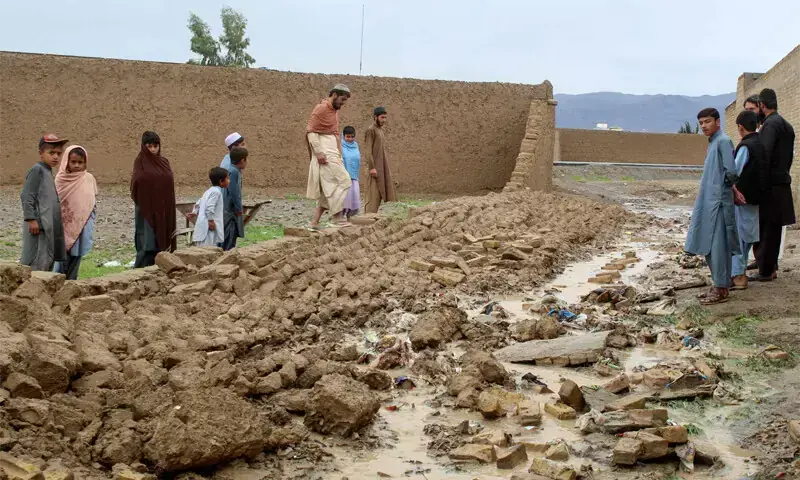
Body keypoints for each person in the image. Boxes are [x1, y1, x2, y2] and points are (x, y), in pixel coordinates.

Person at [685, 108, 739, 305]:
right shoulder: (713, 142)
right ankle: (718, 283)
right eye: (700, 123)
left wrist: (723, 189)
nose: (703, 126)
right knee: (710, 246)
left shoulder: (723, 141)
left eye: (707, 121)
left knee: (718, 247)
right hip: (710, 201)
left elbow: (731, 171)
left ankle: (721, 288)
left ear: (718, 122)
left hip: (717, 203)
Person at [750, 88, 796, 282]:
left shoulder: (770, 125)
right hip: (781, 183)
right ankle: (769, 267)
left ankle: (766, 271)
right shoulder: (786, 125)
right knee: (773, 230)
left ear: (762, 105)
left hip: (770, 186)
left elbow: (764, 156)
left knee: (766, 230)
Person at [306, 84, 353, 229]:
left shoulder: (334, 112)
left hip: (333, 152)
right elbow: (310, 130)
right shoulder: (321, 108)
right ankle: (336, 217)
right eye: (342, 99)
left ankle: (314, 222)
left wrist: (339, 153)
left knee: (329, 188)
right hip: (325, 153)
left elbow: (334, 132)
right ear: (334, 95)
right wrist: (319, 151)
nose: (343, 103)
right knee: (344, 181)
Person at [21, 134, 68, 272]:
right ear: (41, 154)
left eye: (59, 154)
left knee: (47, 259)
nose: (56, 157)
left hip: (47, 227)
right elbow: (27, 196)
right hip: (38, 227)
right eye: (51, 153)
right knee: (37, 261)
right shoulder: (37, 170)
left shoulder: (47, 171)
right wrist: (31, 219)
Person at [131, 131, 177, 268]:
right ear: (144, 146)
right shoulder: (140, 163)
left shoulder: (164, 162)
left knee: (162, 241)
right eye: (149, 146)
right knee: (148, 243)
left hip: (164, 209)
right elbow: (136, 185)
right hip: (147, 209)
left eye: (155, 146)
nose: (152, 149)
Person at [730, 111, 765, 289]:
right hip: (757, 199)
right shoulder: (761, 144)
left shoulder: (745, 147)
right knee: (748, 236)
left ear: (740, 128)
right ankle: (739, 273)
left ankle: (738, 275)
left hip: (743, 199)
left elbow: (734, 172)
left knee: (739, 238)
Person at [53, 145, 98, 280]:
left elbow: (92, 199)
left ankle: (72, 284)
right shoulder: (60, 180)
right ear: (67, 161)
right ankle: (56, 283)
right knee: (61, 258)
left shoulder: (88, 178)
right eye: (73, 162)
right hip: (64, 225)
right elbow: (56, 203)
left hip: (82, 224)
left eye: (80, 162)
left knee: (76, 255)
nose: (77, 165)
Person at [363, 106, 398, 214]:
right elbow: (368, 151)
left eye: (385, 118)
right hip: (373, 169)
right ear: (375, 117)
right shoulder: (371, 130)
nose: (384, 120)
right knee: (372, 196)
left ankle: (372, 218)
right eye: (382, 118)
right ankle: (367, 219)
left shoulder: (380, 131)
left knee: (378, 195)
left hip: (380, 168)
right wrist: (372, 168)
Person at [192, 167, 229, 247]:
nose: (229, 181)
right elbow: (209, 207)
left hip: (204, 225)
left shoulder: (209, 191)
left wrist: (194, 212)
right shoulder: (216, 192)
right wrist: (211, 221)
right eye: (227, 179)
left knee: (202, 248)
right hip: (208, 227)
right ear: (221, 181)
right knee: (208, 249)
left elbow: (199, 202)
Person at [222, 147, 247, 251]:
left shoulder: (233, 170)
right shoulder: (234, 172)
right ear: (242, 160)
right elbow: (234, 192)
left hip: (229, 210)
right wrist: (238, 209)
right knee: (230, 236)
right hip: (231, 212)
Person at [341, 126, 361, 218]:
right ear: (343, 136)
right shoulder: (340, 146)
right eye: (348, 137)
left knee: (354, 197)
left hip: (354, 177)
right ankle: (340, 218)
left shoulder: (355, 146)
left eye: (352, 136)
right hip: (343, 178)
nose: (350, 139)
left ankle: (350, 218)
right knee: (344, 198)